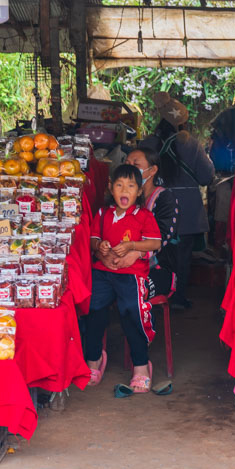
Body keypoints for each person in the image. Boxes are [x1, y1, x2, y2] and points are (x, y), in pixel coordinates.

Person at [83, 164, 162, 393]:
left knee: (131, 312)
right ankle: (94, 359)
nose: (124, 191)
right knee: (93, 308)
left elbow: (155, 243)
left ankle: (140, 366)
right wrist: (100, 246)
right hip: (103, 272)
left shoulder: (144, 216)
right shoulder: (102, 214)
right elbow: (92, 239)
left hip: (131, 274)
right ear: (110, 187)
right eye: (119, 185)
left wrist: (132, 246)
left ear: (139, 191)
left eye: (130, 186)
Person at [140, 92, 215, 310]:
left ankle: (154, 292)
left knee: (157, 251)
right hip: (187, 207)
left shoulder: (148, 144)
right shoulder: (191, 144)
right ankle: (178, 296)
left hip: (156, 204)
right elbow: (206, 176)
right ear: (183, 123)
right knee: (183, 255)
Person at [126, 147, 180, 298]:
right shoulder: (122, 197)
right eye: (126, 163)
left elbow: (162, 237)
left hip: (157, 268)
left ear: (152, 170)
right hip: (124, 262)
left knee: (132, 290)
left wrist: (135, 254)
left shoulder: (165, 198)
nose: (129, 169)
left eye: (135, 165)